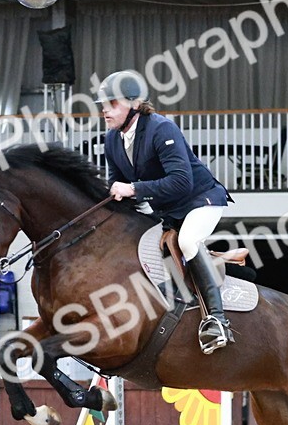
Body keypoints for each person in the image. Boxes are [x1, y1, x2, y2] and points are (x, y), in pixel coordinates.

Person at [95, 70, 234, 354]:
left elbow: (182, 181)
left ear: (134, 104)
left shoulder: (161, 129)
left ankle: (217, 321)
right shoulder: (112, 139)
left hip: (200, 201)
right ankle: (176, 310)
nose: (105, 111)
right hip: (169, 212)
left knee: (187, 241)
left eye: (112, 104)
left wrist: (132, 189)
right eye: (102, 105)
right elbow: (115, 183)